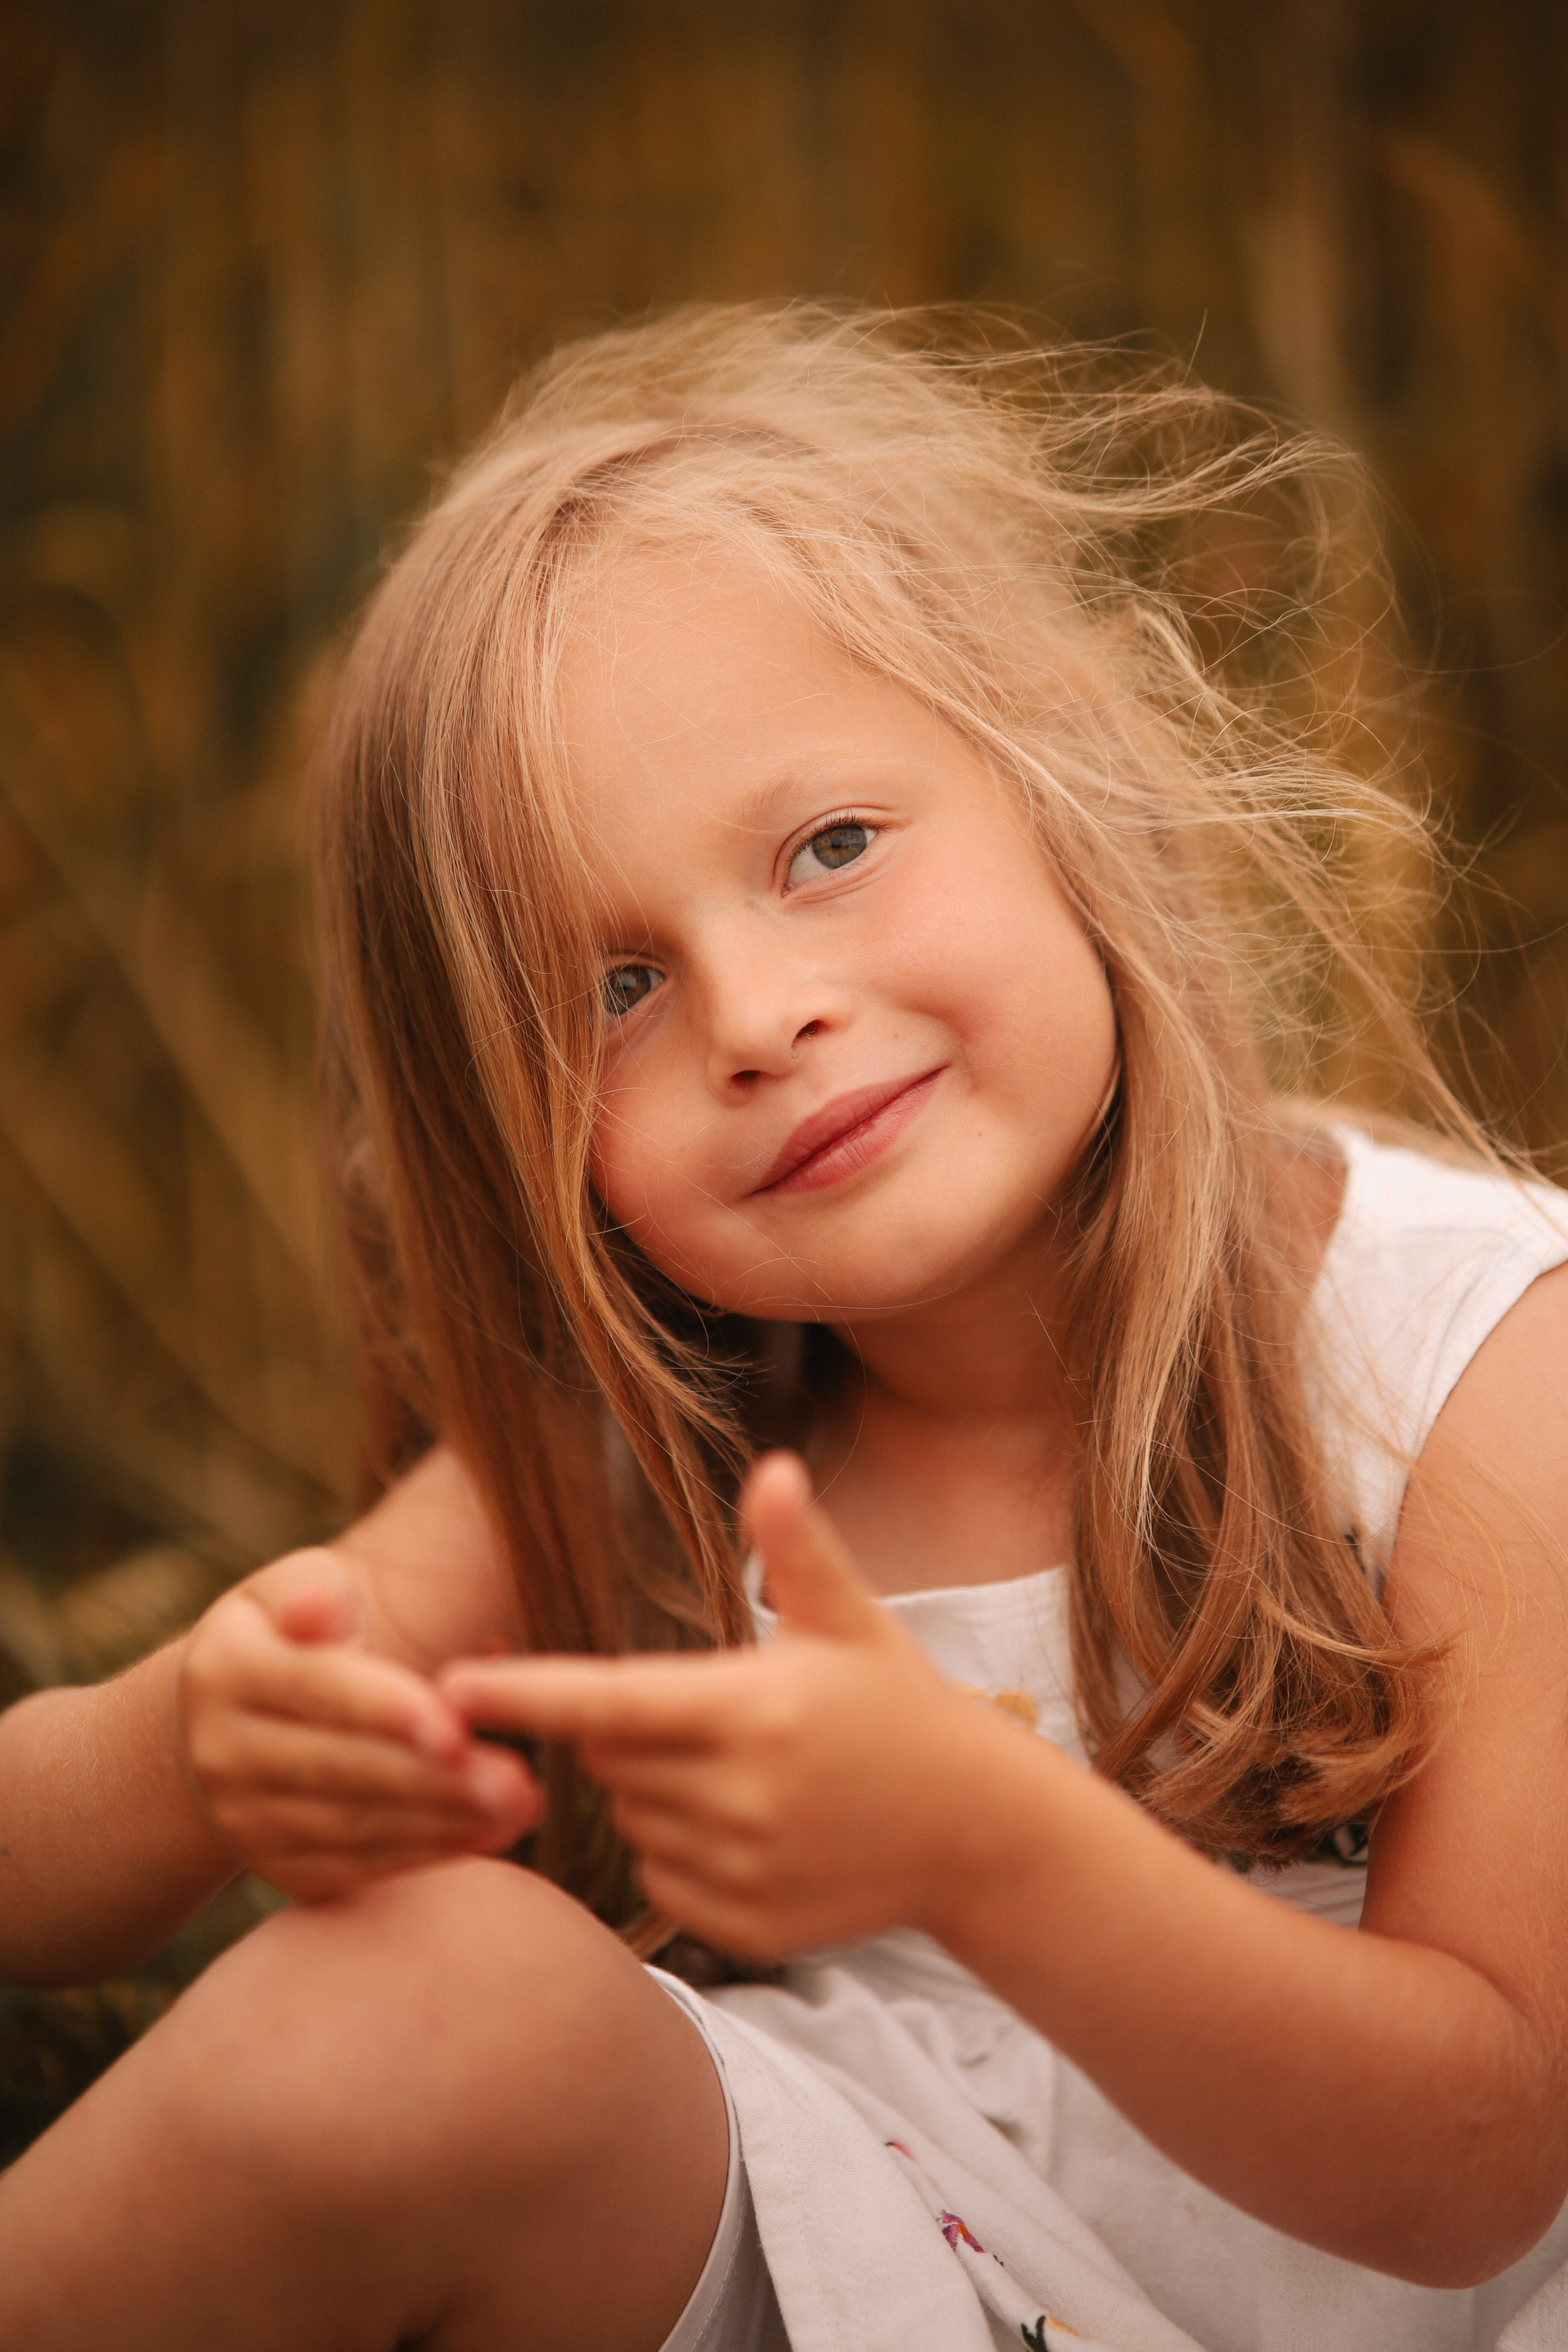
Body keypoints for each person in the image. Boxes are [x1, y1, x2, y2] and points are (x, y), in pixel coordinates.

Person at [1, 307, 1566, 2352]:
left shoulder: (1468, 1363)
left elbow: (1478, 2162)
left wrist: (975, 1842)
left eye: (831, 849)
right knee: (428, 1999)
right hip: (878, 2265)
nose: (757, 1018)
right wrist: (197, 1744)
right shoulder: (661, 1432)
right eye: (614, 991)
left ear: (1066, 789)